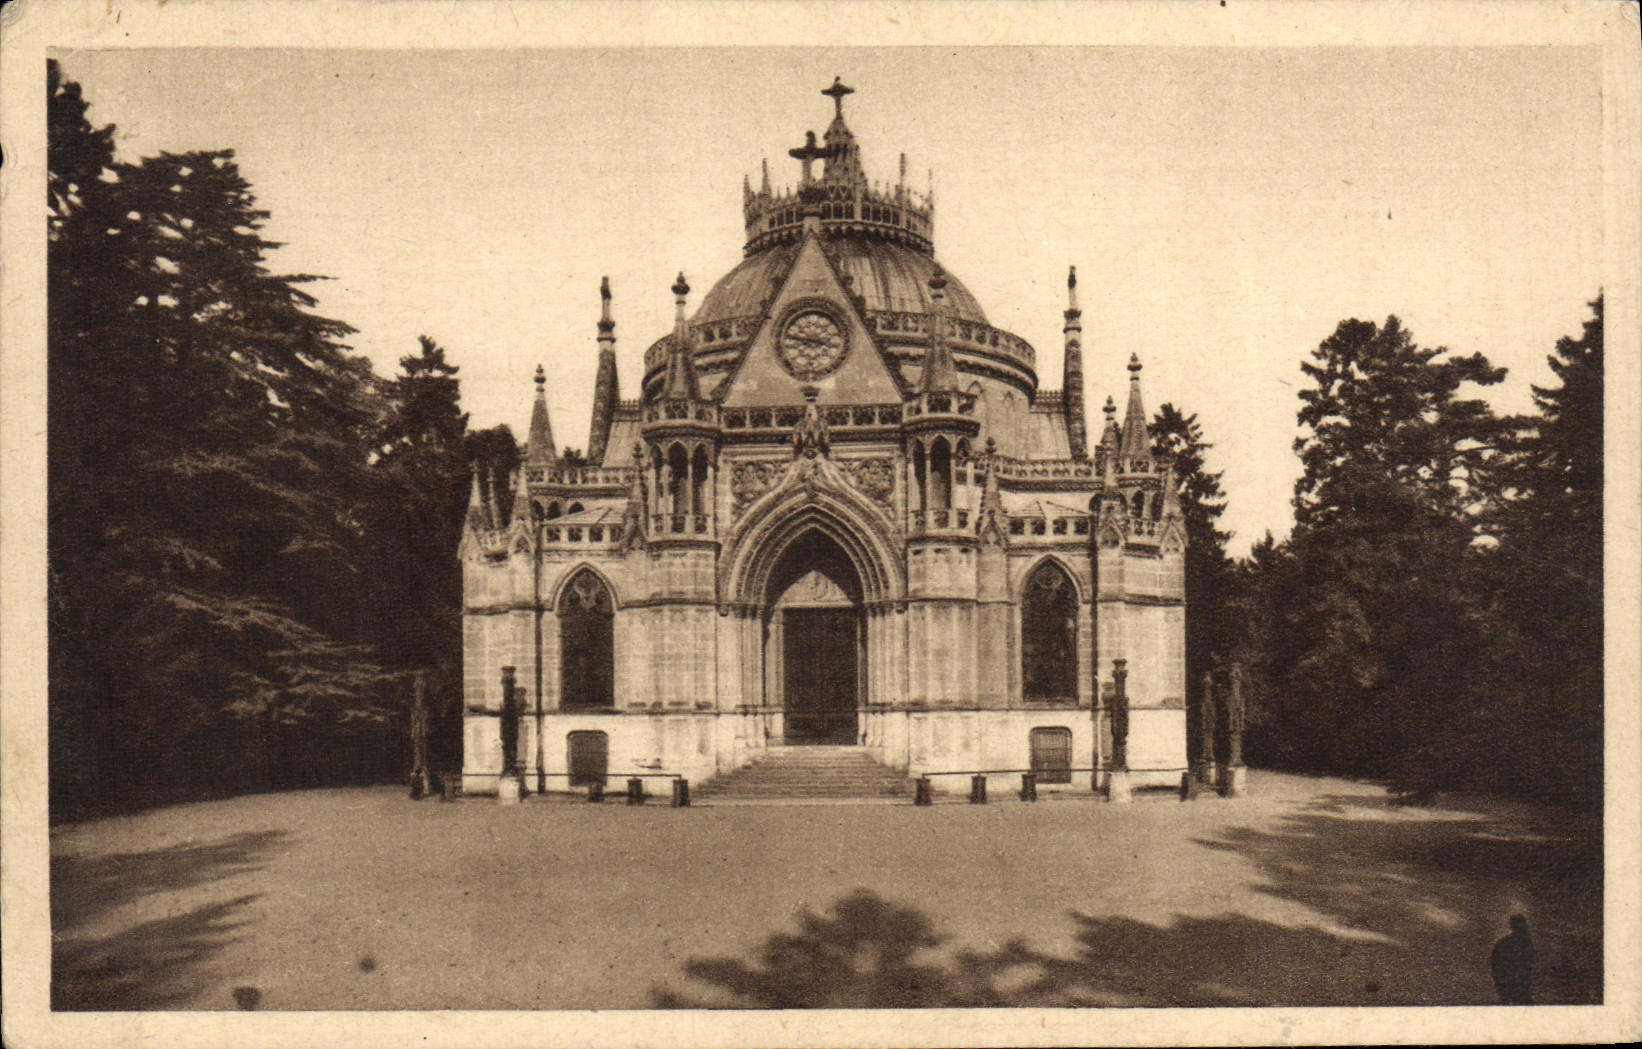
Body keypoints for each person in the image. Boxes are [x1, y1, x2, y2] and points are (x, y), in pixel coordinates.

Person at [1491, 914, 1534, 1004]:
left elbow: (1495, 964)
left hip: (1508, 982)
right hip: (1517, 983)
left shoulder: (1503, 942)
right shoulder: (1526, 942)